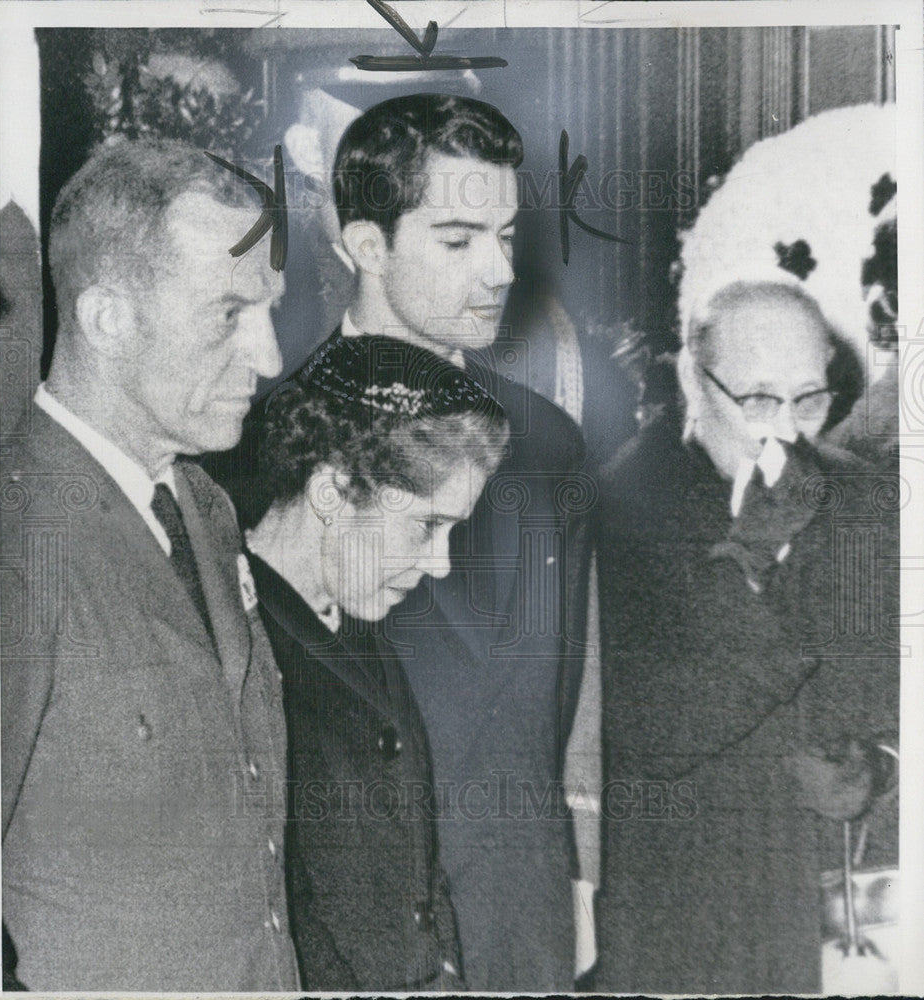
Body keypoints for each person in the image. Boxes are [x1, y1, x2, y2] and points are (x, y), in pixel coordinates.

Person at [211, 92, 593, 990]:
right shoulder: (244, 456)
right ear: (366, 246)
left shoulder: (545, 447)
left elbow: (571, 688)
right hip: (343, 930)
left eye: (505, 236)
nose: (497, 271)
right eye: (458, 241)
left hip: (516, 912)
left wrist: (581, 878)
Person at [0, 138, 299, 991]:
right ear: (107, 320)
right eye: (228, 314)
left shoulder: (204, 508)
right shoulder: (12, 536)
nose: (269, 358)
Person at [592, 279, 899, 993]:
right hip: (682, 918)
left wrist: (876, 768)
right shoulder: (620, 507)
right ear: (689, 382)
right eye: (758, 399)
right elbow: (650, 730)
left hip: (826, 913)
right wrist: (753, 550)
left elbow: (888, 690)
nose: (787, 433)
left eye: (810, 400)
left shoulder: (862, 500)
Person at [241, 334, 509, 990]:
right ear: (334, 488)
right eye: (426, 525)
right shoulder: (240, 640)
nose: (440, 563)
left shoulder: (357, 621)